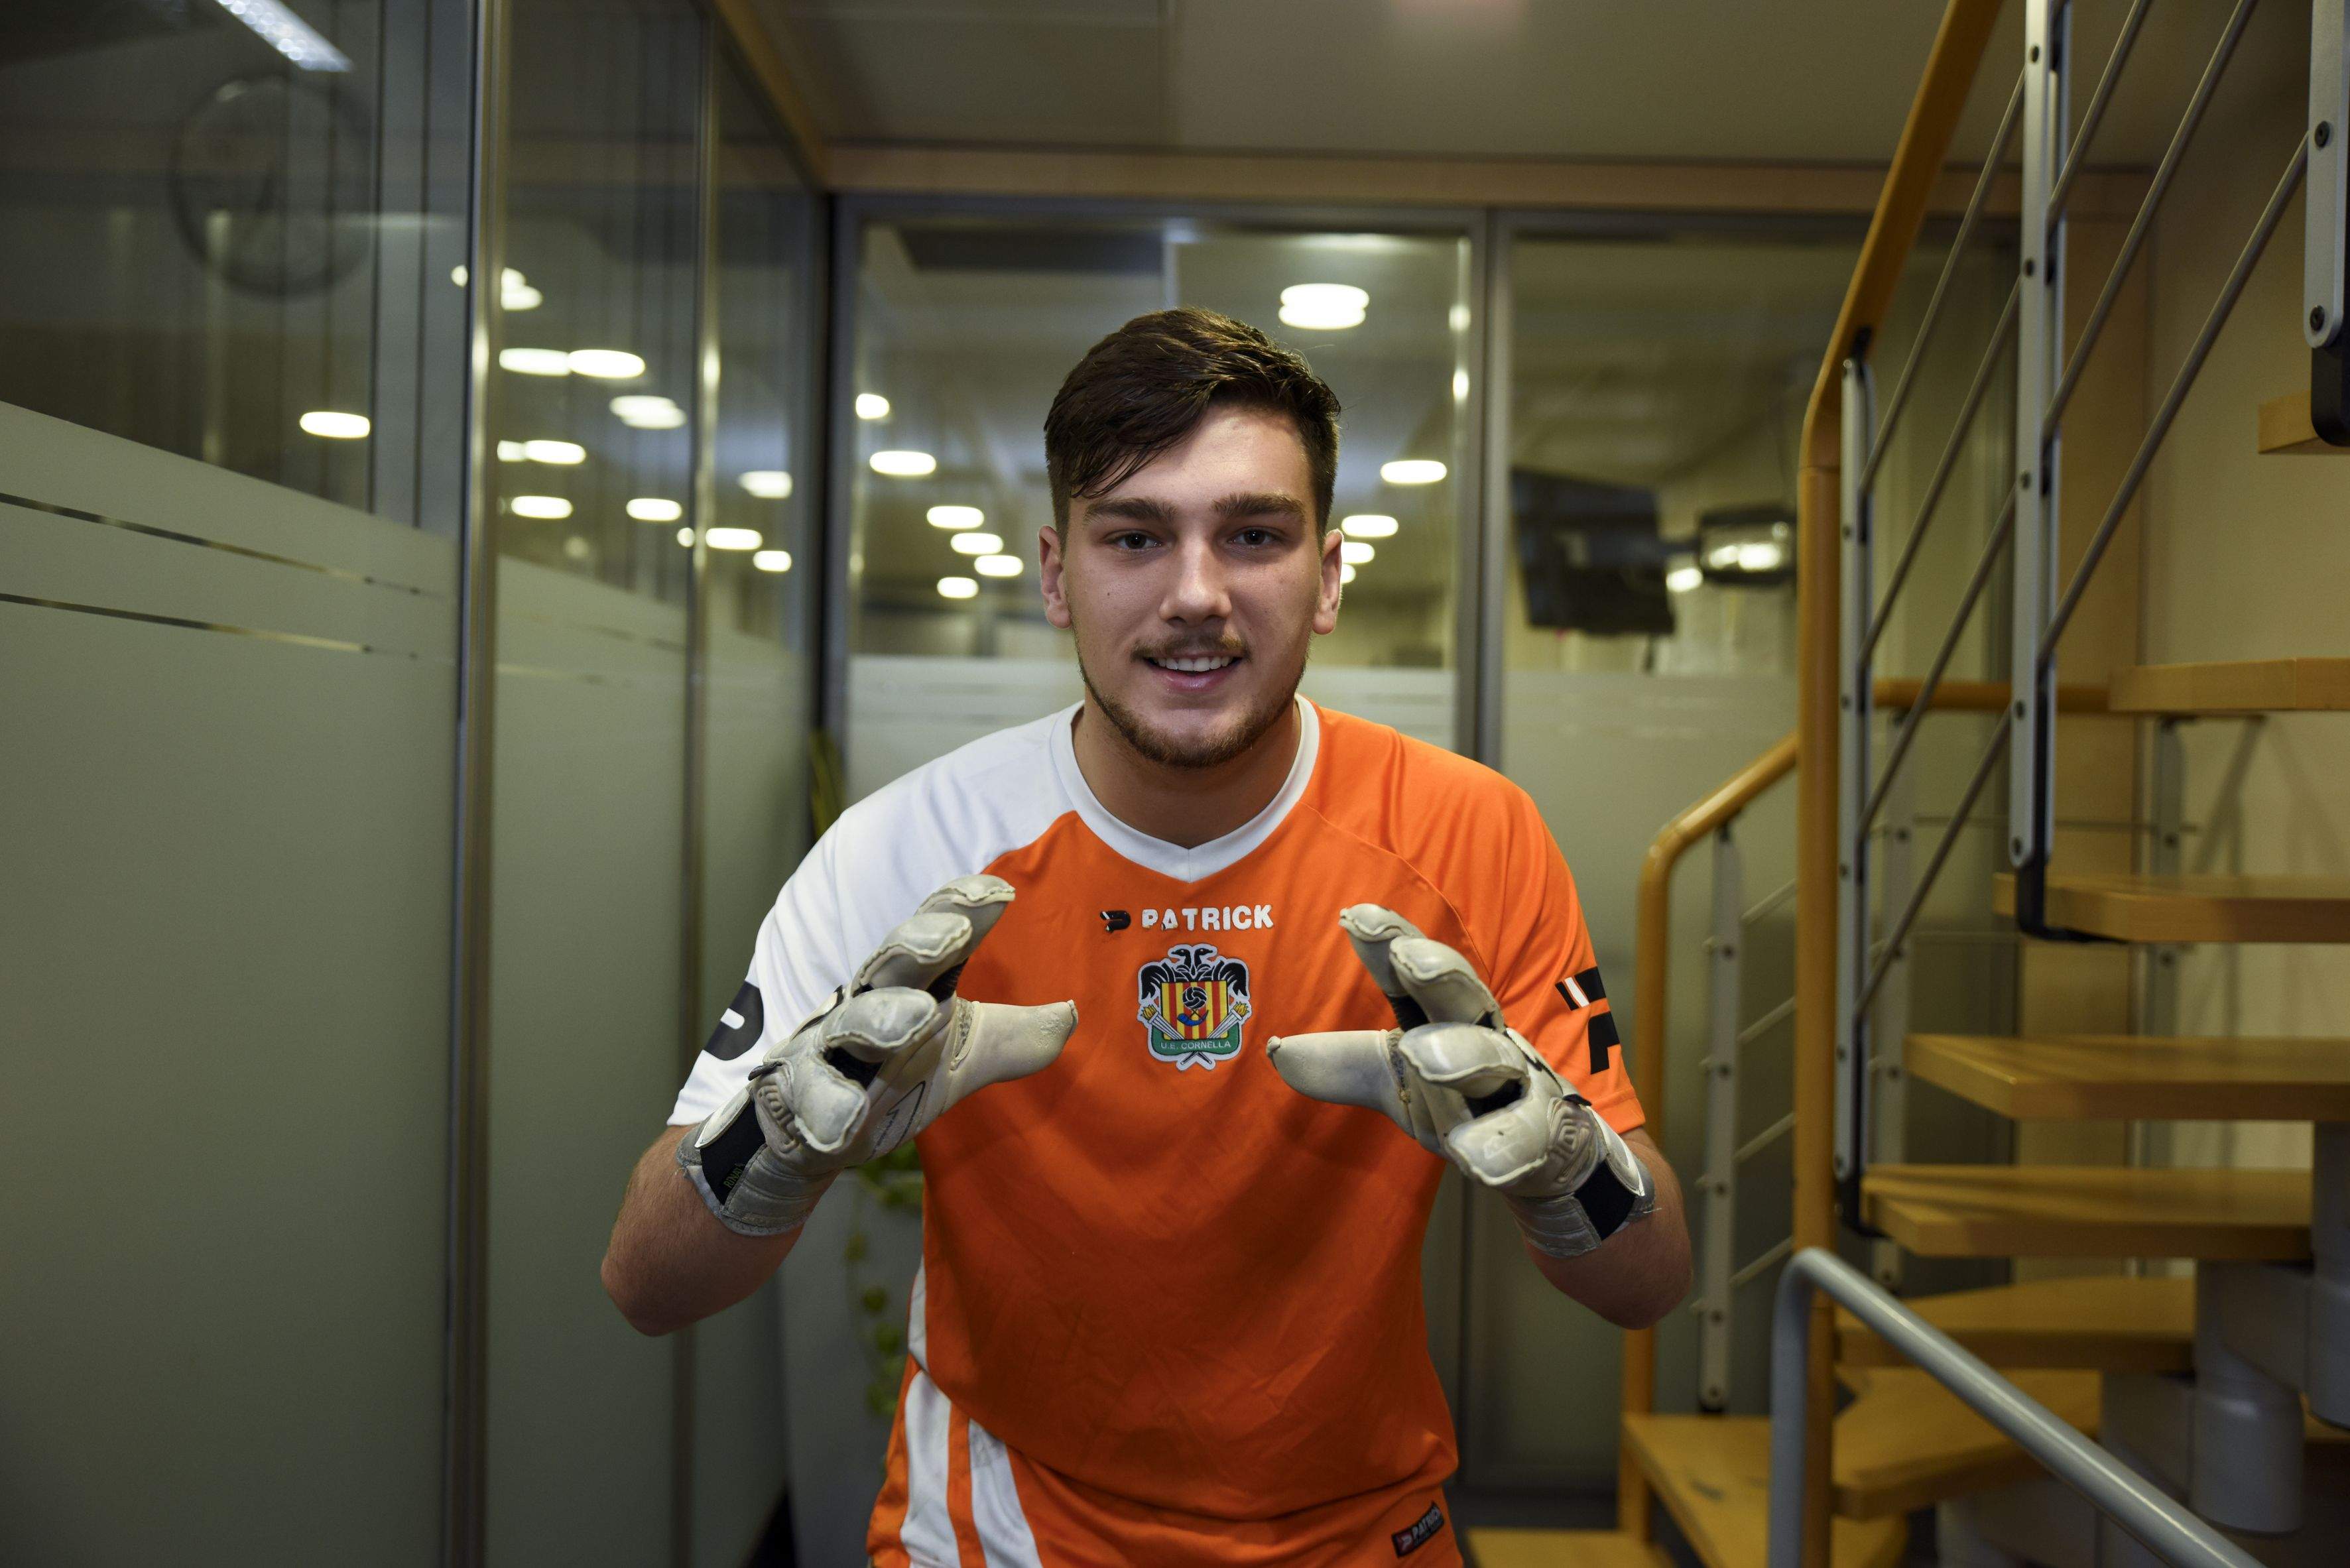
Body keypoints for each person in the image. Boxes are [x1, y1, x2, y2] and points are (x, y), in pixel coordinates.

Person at [601, 306, 1692, 1567]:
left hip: (1359, 1526)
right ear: (1057, 572)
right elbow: (647, 1279)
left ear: (1329, 574)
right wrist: (776, 1143)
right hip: (1003, 1529)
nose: (1195, 596)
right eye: (1136, 534)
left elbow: (1650, 1279)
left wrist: (1566, 1171)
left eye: (1254, 534)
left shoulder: (1467, 833)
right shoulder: (904, 852)